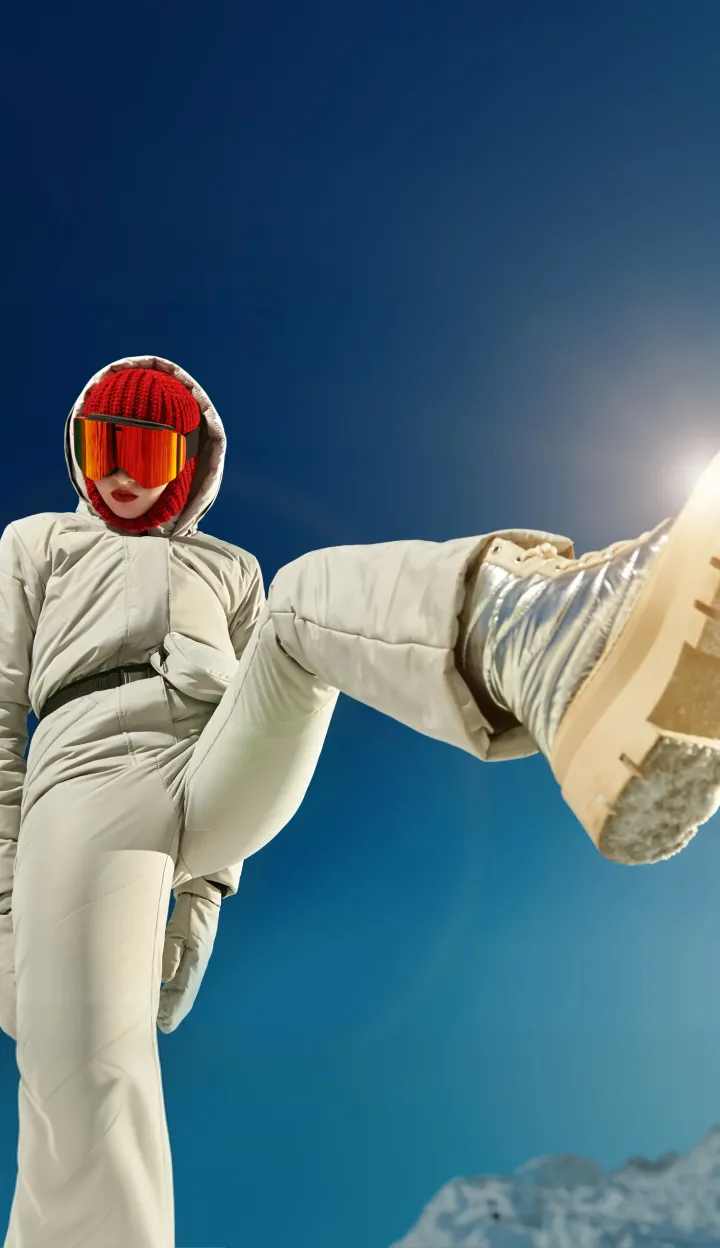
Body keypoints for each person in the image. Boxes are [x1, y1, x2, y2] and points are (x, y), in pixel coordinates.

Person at [0, 354, 717, 1247]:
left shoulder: (230, 569)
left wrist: (201, 903)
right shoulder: (38, 545)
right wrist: (8, 910)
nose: (118, 473)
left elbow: (243, 708)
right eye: (102, 446)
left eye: (144, 453)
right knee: (87, 1069)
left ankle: (539, 634)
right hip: (84, 775)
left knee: (302, 601)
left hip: (209, 759)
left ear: (189, 465)